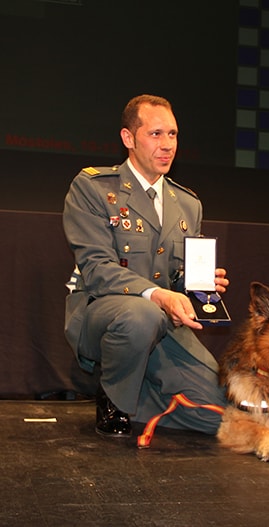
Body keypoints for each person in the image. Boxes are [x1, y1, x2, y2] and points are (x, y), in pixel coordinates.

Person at [63, 94, 229, 439]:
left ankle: (137, 395)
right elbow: (96, 268)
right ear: (129, 139)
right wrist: (158, 296)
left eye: (173, 134)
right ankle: (113, 403)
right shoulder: (93, 188)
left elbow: (177, 277)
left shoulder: (187, 203)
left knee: (220, 413)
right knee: (142, 314)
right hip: (105, 315)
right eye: (155, 134)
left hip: (164, 323)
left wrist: (199, 284)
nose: (167, 145)